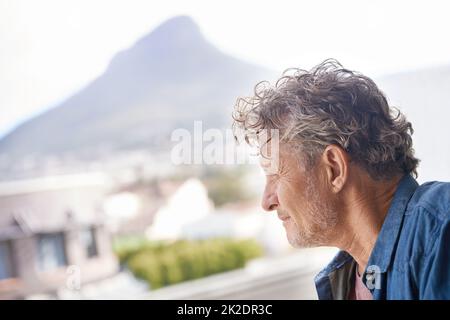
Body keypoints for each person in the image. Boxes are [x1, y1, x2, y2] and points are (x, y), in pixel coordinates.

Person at [232, 59, 450, 299]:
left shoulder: (440, 231)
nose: (267, 201)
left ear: (334, 169)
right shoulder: (341, 281)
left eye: (275, 173)